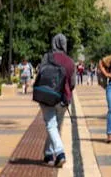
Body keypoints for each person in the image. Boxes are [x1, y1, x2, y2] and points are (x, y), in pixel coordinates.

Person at [36, 34, 75, 168]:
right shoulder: (70, 61)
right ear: (64, 44)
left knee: (51, 126)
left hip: (47, 96)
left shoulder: (47, 57)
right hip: (63, 98)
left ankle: (59, 153)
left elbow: (41, 74)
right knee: (55, 127)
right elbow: (73, 83)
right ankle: (48, 155)